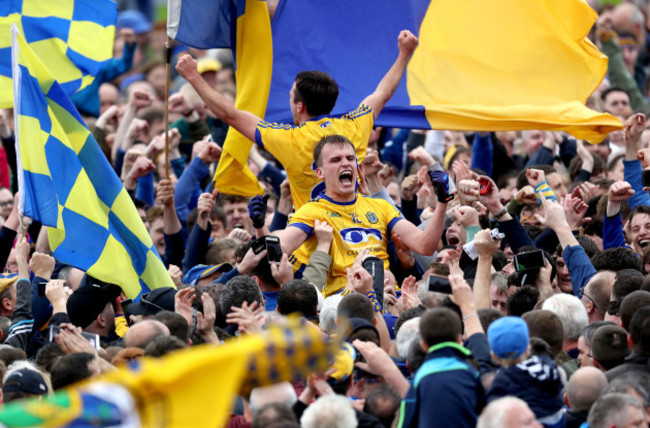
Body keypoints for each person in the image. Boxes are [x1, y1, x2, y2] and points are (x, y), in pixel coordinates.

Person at [176, 30, 418, 208]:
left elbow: (230, 114)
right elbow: (382, 93)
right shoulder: (355, 125)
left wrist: (193, 77)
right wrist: (404, 54)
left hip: (312, 242)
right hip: (360, 233)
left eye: (291, 95)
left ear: (299, 106)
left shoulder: (288, 139)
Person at [269, 135, 448, 294]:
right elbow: (277, 248)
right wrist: (262, 228)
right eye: (335, 160)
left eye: (349, 158)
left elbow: (425, 246)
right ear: (320, 172)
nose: (345, 163)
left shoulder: (381, 207)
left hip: (390, 296)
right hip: (346, 302)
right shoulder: (311, 212)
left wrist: (442, 201)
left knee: (441, 293)